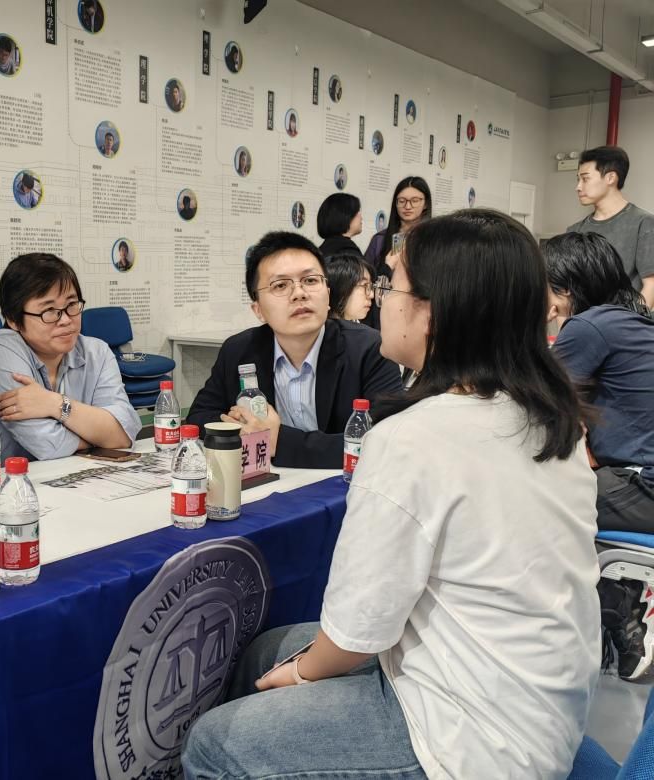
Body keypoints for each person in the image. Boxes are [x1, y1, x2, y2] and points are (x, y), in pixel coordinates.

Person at [183, 210, 600, 780]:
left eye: (391, 287)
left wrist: (300, 677)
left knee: (213, 743)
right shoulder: (548, 416)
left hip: (469, 734)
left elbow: (355, 634)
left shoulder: (415, 436)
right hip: (536, 694)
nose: (380, 301)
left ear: (434, 311)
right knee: (265, 648)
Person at [186, 231, 402, 468]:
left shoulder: (370, 349)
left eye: (310, 281)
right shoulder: (238, 351)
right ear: (258, 310)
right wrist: (242, 428)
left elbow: (386, 441)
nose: (299, 293)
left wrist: (278, 441)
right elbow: (198, 418)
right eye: (280, 285)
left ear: (328, 294)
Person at [545, 231, 654, 681]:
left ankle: (617, 609)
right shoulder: (633, 322)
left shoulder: (589, 326)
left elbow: (540, 404)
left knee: (531, 499)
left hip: (643, 488)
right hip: (639, 482)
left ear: (567, 287)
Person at [0, 253, 140, 461]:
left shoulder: (97, 352)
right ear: (14, 319)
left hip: (75, 474)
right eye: (49, 310)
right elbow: (46, 444)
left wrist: (54, 403)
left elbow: (123, 432)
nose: (65, 320)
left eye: (71, 305)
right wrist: (98, 436)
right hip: (1, 479)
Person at [568, 146, 654, 308]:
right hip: (583, 320)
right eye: (578, 179)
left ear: (611, 178)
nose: (578, 187)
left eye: (585, 179)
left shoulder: (644, 223)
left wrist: (629, 320)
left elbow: (651, 285)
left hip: (624, 319)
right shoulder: (575, 231)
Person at [365, 175, 432, 280]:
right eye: (401, 201)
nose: (407, 206)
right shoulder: (380, 239)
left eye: (415, 201)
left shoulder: (435, 240)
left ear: (426, 204)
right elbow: (365, 278)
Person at [324, 252, 374, 322]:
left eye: (370, 286)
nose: (371, 295)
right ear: (339, 288)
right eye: (364, 285)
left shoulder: (356, 324)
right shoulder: (321, 327)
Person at [316, 192, 364, 258]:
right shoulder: (347, 252)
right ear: (345, 216)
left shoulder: (323, 249)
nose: (361, 217)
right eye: (357, 211)